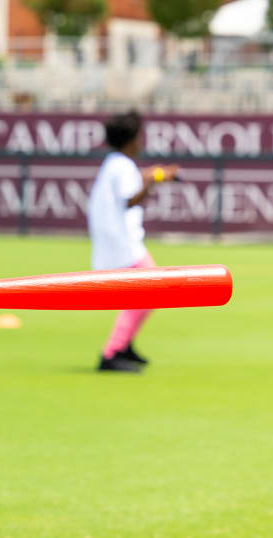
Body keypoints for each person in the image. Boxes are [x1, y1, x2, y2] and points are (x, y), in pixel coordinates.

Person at [87, 110, 178, 373]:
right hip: (123, 243)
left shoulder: (115, 164)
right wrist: (150, 180)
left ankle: (123, 346)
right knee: (150, 293)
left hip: (120, 241)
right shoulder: (123, 166)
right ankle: (112, 352)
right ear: (131, 140)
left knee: (147, 294)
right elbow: (131, 199)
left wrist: (154, 176)